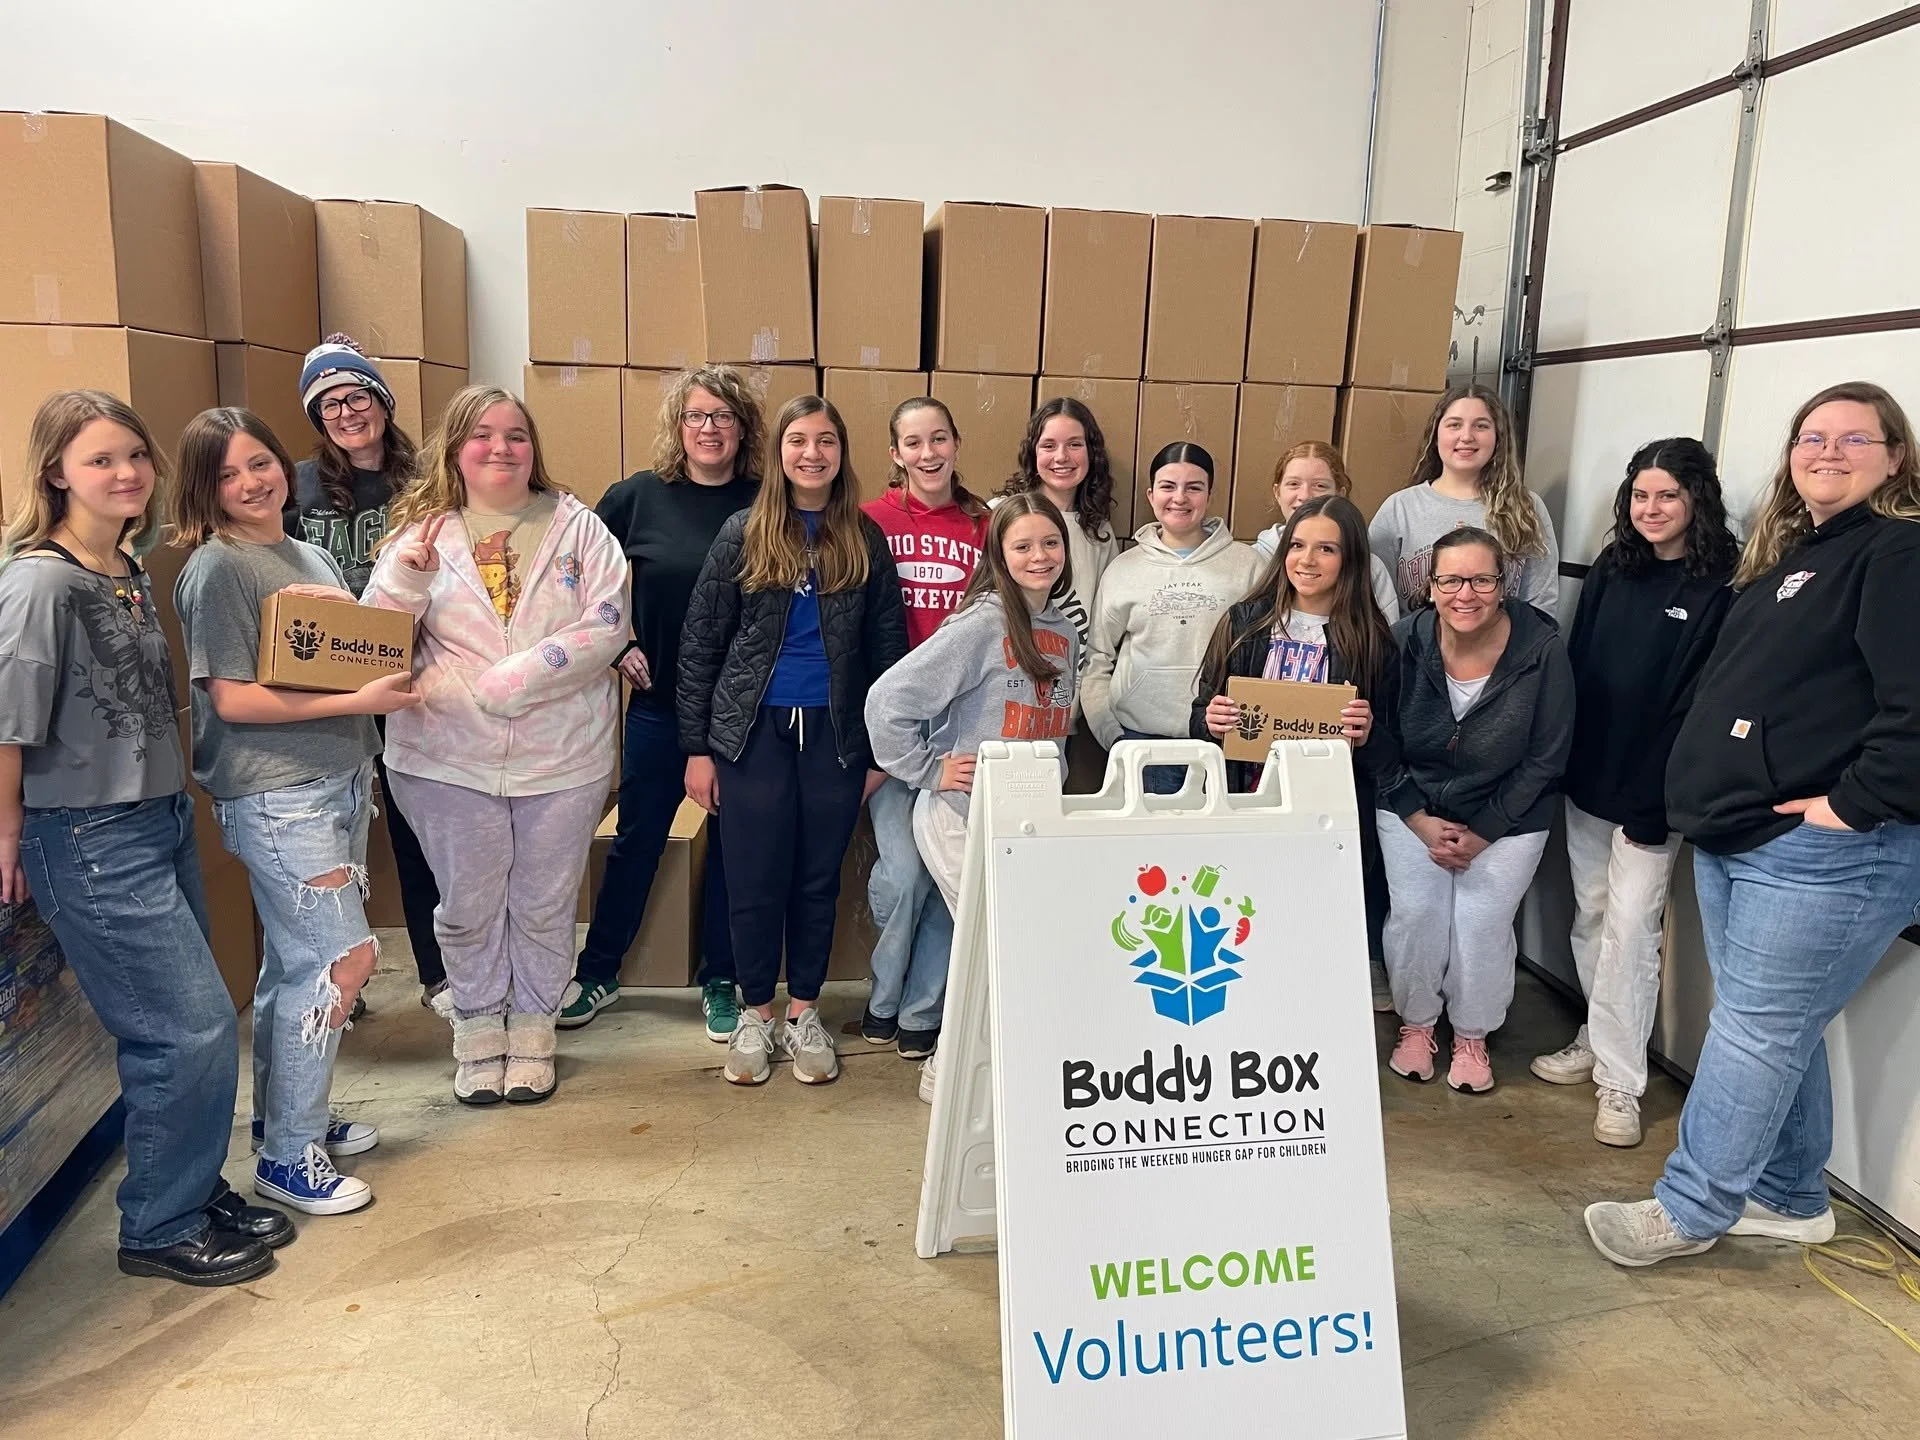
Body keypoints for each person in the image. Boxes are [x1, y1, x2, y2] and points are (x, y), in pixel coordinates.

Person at [1586, 381, 1920, 1268]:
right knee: (1771, 1024)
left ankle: (1689, 1210)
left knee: (1755, 1033)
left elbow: (1914, 704)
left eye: (1856, 439)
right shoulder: (1803, 556)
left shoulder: (1898, 553)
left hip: (1829, 854)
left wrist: (1852, 805)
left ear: (1895, 457)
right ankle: (1791, 1194)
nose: (1828, 452)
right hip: (1746, 838)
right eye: (1813, 436)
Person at [0, 390, 289, 1286]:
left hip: (154, 817)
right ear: (56, 472)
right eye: (99, 460)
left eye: (135, 455)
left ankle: (190, 1188)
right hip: (85, 831)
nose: (125, 474)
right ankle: (158, 1222)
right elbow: (7, 722)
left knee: (195, 1017)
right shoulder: (39, 582)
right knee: (188, 1028)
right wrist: (6, 832)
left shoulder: (123, 567)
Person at [172, 407, 420, 1214]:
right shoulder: (218, 568)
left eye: (260, 462)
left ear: (284, 464)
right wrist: (360, 697)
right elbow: (234, 700)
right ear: (205, 490)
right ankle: (288, 1159)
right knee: (341, 962)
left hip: (340, 779)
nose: (251, 482)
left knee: (292, 967)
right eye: (228, 474)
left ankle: (286, 1119)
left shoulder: (304, 549)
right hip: (278, 794)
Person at [363, 386, 628, 1106]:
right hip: (445, 757)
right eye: (482, 435)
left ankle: (535, 1027)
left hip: (560, 755)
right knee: (469, 903)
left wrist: (512, 679)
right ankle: (479, 1030)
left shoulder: (579, 528)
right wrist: (404, 578)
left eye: (516, 434)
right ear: (454, 449)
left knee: (543, 902)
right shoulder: (419, 535)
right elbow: (375, 639)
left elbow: (607, 624)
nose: (501, 448)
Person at [679, 396, 908, 1087]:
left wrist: (878, 751)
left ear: (842, 453)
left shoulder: (864, 540)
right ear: (779, 452)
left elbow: (888, 655)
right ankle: (756, 1013)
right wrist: (697, 749)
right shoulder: (743, 533)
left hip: (836, 738)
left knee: (815, 882)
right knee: (753, 879)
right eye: (799, 441)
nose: (813, 454)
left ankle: (804, 1011)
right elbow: (700, 647)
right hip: (753, 735)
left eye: (827, 441)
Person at [1529, 438, 1737, 1147]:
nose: (1651, 509)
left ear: (1696, 501)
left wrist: (1658, 798)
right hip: (1590, 774)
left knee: (1632, 930)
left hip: (1654, 793)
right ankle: (1595, 1031)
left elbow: (1702, 704)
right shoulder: (1616, 569)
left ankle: (1621, 1082)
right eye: (1641, 496)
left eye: (1667, 497)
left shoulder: (1723, 583)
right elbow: (1580, 666)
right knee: (1590, 917)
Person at [562, 365, 763, 1039]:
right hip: (657, 705)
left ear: (743, 429)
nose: (710, 429)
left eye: (724, 417)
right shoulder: (637, 498)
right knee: (636, 839)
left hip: (741, 712)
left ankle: (722, 978)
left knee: (736, 846)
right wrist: (615, 645)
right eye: (697, 417)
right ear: (679, 427)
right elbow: (572, 577)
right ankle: (598, 972)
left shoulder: (767, 503)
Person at [867, 490, 1078, 1098]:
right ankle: (951, 1069)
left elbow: (1053, 727)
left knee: (1002, 938)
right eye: (1023, 546)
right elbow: (888, 701)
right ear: (998, 552)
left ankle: (984, 1063)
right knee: (992, 938)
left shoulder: (1063, 628)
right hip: (961, 815)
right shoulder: (980, 624)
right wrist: (929, 769)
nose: (1039, 556)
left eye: (1050, 542)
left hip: (1024, 818)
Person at [1376, 527, 1574, 1093]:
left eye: (1482, 579)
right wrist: (1417, 817)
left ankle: (1471, 1033)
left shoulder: (1542, 649)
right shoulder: (1403, 642)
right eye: (1452, 580)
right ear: (1430, 586)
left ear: (1504, 583)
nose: (1467, 593)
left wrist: (1485, 831)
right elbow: (1380, 740)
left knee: (1481, 925)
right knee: (1417, 916)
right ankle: (1417, 1025)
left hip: (1511, 815)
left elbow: (1547, 756)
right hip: (1413, 806)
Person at [285, 336, 445, 1014]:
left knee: (419, 832)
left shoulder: (427, 479)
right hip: (327, 684)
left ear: (382, 400)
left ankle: (439, 974)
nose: (347, 413)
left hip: (410, 675)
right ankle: (337, 984)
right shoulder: (297, 485)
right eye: (329, 406)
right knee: (331, 838)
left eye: (356, 396)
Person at [1193, 495, 1398, 1007]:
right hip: (1247, 799)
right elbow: (1201, 715)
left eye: (1326, 549)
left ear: (1350, 561)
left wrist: (1369, 733)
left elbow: (1393, 752)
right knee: (1243, 912)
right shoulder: (1245, 623)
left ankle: (1301, 1013)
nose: (1307, 560)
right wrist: (1211, 720)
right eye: (1298, 545)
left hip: (1326, 814)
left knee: (1308, 919)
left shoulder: (1373, 640)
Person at [858, 396, 987, 1060]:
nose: (929, 453)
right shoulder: (868, 521)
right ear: (895, 453)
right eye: (914, 443)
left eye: (940, 439)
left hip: (961, 731)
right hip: (894, 732)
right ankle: (884, 996)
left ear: (957, 443)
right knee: (902, 874)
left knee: (945, 878)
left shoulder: (986, 524)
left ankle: (920, 1011)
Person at [1081, 442, 1260, 793]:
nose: (1179, 497)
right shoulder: (1123, 568)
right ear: (1151, 495)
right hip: (1140, 747)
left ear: (1209, 494)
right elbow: (1096, 661)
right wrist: (1114, 737)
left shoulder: (1248, 565)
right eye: (1168, 486)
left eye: (1193, 487)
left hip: (1221, 746)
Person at [1000, 397, 1122, 791]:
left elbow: (1104, 629)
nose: (1062, 456)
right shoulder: (1000, 515)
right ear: (1032, 451)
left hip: (1062, 710)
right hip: (1002, 707)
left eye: (1075, 444)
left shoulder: (1098, 533)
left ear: (1092, 453)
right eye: (1049, 445)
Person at [1369, 384, 1560, 616]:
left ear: (1498, 437)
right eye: (1454, 425)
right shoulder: (1399, 509)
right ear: (1436, 435)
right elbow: (1374, 598)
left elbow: (1542, 602)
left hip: (1504, 650)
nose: (1467, 436)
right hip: (1411, 650)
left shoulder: (1526, 508)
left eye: (1481, 426)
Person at [1252, 441, 1400, 621]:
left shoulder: (1369, 568)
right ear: (1277, 492)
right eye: (1293, 484)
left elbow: (1387, 638)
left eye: (1320, 486)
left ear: (1340, 493)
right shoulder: (1253, 560)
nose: (1305, 495)